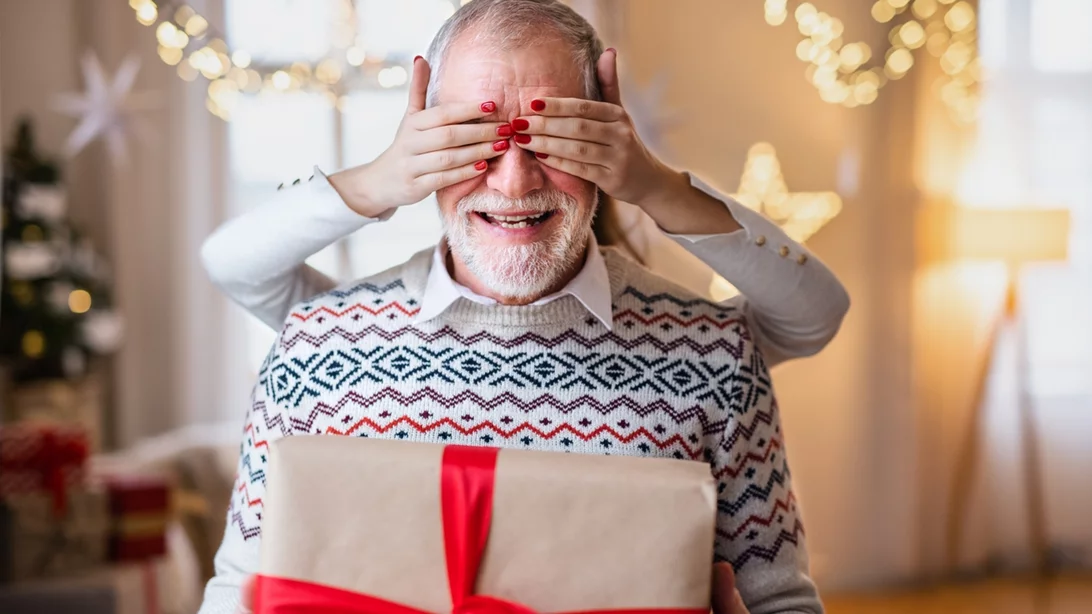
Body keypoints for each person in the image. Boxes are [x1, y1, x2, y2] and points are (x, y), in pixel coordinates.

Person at [199, 1, 848, 613]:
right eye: (470, 137)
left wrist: (649, 181)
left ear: (606, 144)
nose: (514, 181)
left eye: (555, 138)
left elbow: (780, 599)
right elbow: (240, 589)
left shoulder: (715, 356)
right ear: (423, 142)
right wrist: (382, 178)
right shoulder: (319, 346)